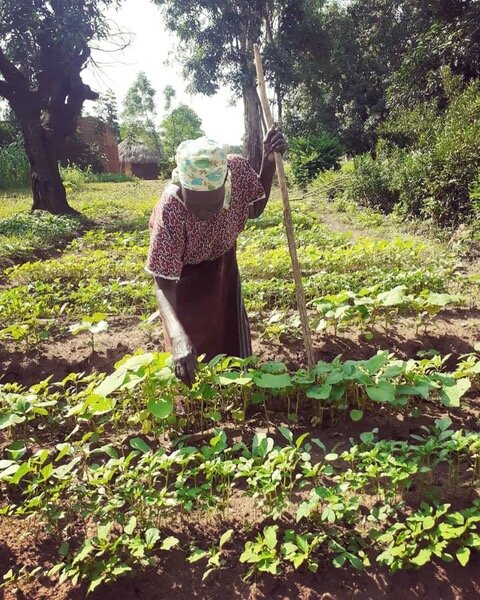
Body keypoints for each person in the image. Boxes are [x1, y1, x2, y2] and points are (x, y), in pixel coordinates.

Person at [146, 127, 287, 385]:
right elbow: (163, 282)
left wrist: (268, 162)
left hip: (223, 263)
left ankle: (238, 389)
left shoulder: (237, 173)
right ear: (182, 188)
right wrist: (177, 337)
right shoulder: (171, 210)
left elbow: (255, 207)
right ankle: (193, 401)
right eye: (195, 204)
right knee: (188, 347)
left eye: (211, 204)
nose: (203, 214)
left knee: (230, 333)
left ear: (226, 186)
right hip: (183, 277)